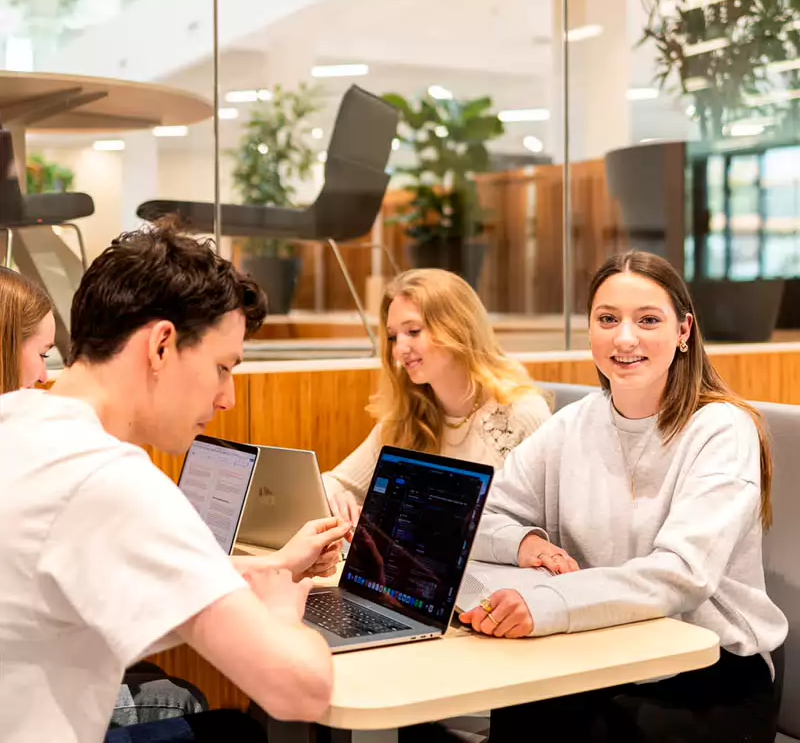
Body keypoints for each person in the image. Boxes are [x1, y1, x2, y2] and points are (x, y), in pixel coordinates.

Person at [0, 224, 351, 743]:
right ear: (162, 345)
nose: (226, 398)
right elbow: (300, 690)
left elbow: (121, 567)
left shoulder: (15, 420)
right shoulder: (108, 477)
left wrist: (271, 566)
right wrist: (282, 614)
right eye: (222, 367)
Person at [458, 250, 788, 742]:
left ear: (683, 332)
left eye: (648, 320)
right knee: (520, 714)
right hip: (605, 652)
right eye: (607, 319)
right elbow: (477, 515)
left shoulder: (721, 428)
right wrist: (524, 543)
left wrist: (549, 603)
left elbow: (680, 575)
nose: (625, 337)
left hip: (710, 671)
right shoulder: (573, 424)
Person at [322, 268, 552, 525]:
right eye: (392, 337)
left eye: (413, 331)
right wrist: (337, 496)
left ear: (456, 327)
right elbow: (330, 482)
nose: (399, 349)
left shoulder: (523, 413)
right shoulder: (406, 417)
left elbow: (545, 524)